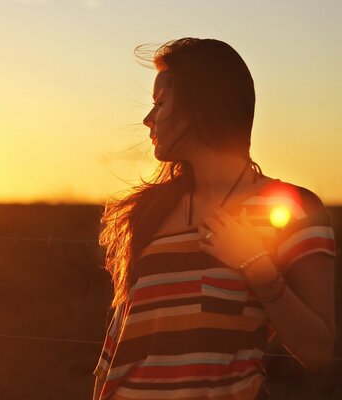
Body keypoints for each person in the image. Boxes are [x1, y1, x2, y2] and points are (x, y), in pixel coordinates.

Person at [92, 37, 337, 400]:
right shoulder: (148, 212)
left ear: (201, 108)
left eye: (159, 103)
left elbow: (318, 352)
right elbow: (117, 345)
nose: (148, 119)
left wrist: (259, 269)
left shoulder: (292, 207)